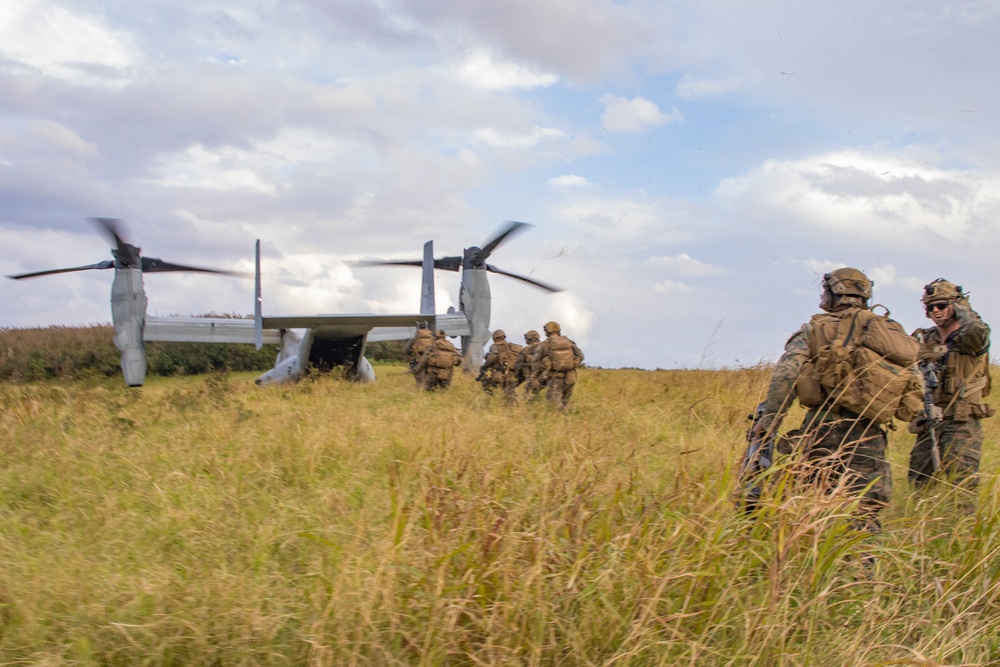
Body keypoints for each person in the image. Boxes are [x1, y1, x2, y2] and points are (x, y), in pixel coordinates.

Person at [750, 268, 921, 533]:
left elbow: (785, 376)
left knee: (807, 508)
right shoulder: (885, 330)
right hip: (868, 436)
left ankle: (811, 566)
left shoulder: (813, 329)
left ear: (832, 293)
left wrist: (769, 423)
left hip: (820, 431)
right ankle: (863, 570)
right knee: (864, 513)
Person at [908, 279, 992, 503]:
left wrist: (962, 308)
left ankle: (962, 534)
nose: (936, 311)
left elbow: (978, 330)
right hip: (930, 420)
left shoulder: (970, 338)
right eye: (931, 307)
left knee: (961, 485)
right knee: (918, 484)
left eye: (942, 305)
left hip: (962, 421)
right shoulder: (924, 338)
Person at [530, 321, 584, 411]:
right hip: (570, 378)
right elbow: (581, 356)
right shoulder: (569, 342)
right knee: (563, 404)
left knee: (555, 409)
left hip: (554, 379)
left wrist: (538, 375)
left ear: (547, 332)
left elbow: (535, 361)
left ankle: (565, 421)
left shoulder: (544, 344)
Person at [478, 329, 522, 401]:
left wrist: (484, 366)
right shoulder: (511, 346)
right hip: (510, 374)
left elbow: (493, 356)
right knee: (510, 393)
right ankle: (513, 409)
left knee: (487, 384)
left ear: (495, 338)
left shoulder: (495, 346)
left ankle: (488, 402)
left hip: (498, 375)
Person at [515, 330, 544, 401]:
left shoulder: (525, 350)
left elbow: (518, 366)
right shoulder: (544, 346)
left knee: (527, 396)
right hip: (545, 377)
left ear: (528, 340)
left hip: (531, 379)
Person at [402, 323, 434, 387]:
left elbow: (404, 350)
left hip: (418, 360)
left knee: (420, 379)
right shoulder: (432, 338)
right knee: (429, 377)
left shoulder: (414, 339)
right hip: (430, 360)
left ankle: (420, 392)